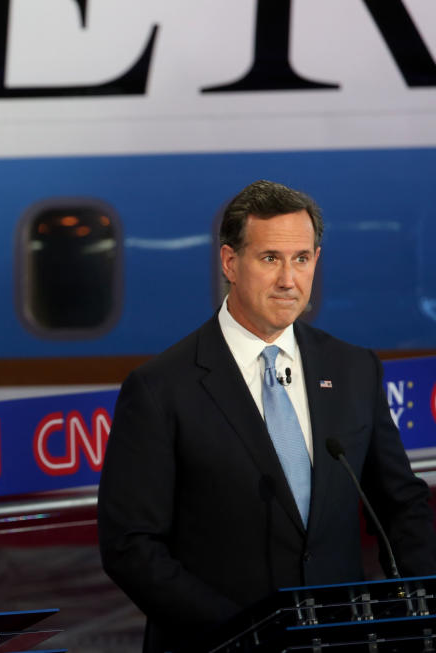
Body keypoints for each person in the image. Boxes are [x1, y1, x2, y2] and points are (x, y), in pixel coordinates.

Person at [97, 180, 436, 652]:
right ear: (230, 263)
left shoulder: (354, 369)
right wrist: (247, 633)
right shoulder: (160, 388)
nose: (288, 280)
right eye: (270, 258)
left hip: (342, 641)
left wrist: (416, 609)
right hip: (221, 644)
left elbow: (401, 505)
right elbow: (130, 547)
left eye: (301, 259)